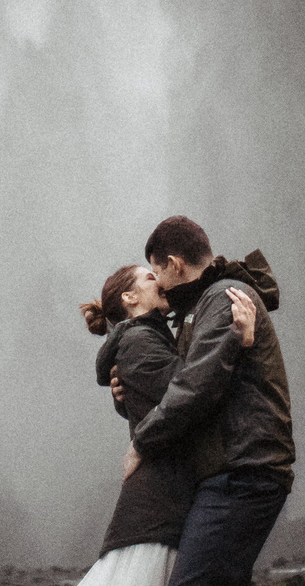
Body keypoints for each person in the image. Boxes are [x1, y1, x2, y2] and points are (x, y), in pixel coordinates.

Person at [119, 216, 293, 586]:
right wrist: (126, 394)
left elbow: (196, 385)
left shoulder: (222, 297)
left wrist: (142, 442)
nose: (160, 285)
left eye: (157, 272)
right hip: (233, 469)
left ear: (175, 263)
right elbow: (179, 378)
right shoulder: (202, 306)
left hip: (243, 471)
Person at [74, 261, 259, 586]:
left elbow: (165, 395)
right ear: (130, 298)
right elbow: (189, 390)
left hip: (163, 501)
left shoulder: (147, 339)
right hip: (157, 506)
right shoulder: (139, 342)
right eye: (149, 276)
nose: (158, 279)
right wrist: (236, 339)